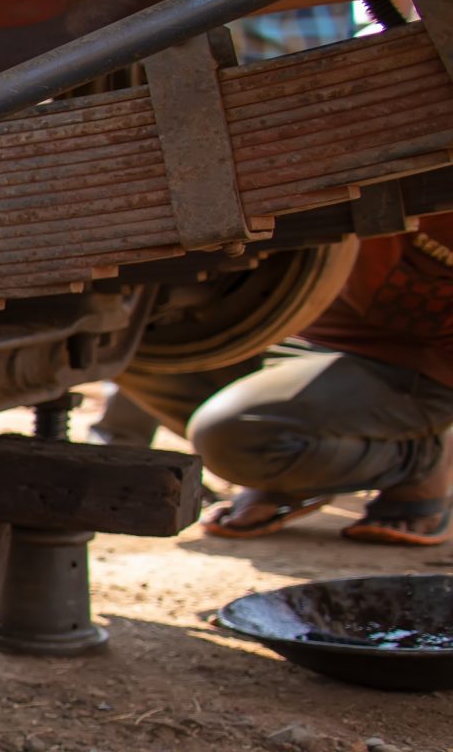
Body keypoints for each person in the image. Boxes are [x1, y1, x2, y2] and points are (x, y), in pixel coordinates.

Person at [103, 218, 453, 545]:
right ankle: (287, 470)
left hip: (405, 367)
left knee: (230, 436)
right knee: (115, 344)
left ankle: (419, 457)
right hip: (288, 317)